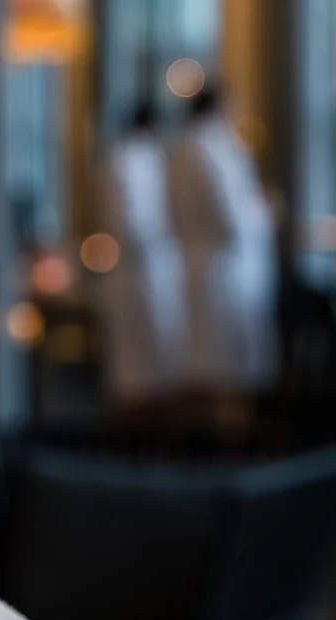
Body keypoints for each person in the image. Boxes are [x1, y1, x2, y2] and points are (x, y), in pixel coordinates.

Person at [168, 85, 279, 400]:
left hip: (199, 267)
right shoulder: (215, 149)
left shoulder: (182, 148)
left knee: (205, 361)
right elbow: (231, 218)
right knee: (224, 368)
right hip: (224, 270)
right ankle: (228, 439)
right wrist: (265, 211)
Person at [96, 101, 188, 410]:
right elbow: (132, 223)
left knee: (156, 359)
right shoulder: (127, 160)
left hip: (155, 267)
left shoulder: (150, 159)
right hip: (138, 269)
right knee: (137, 364)